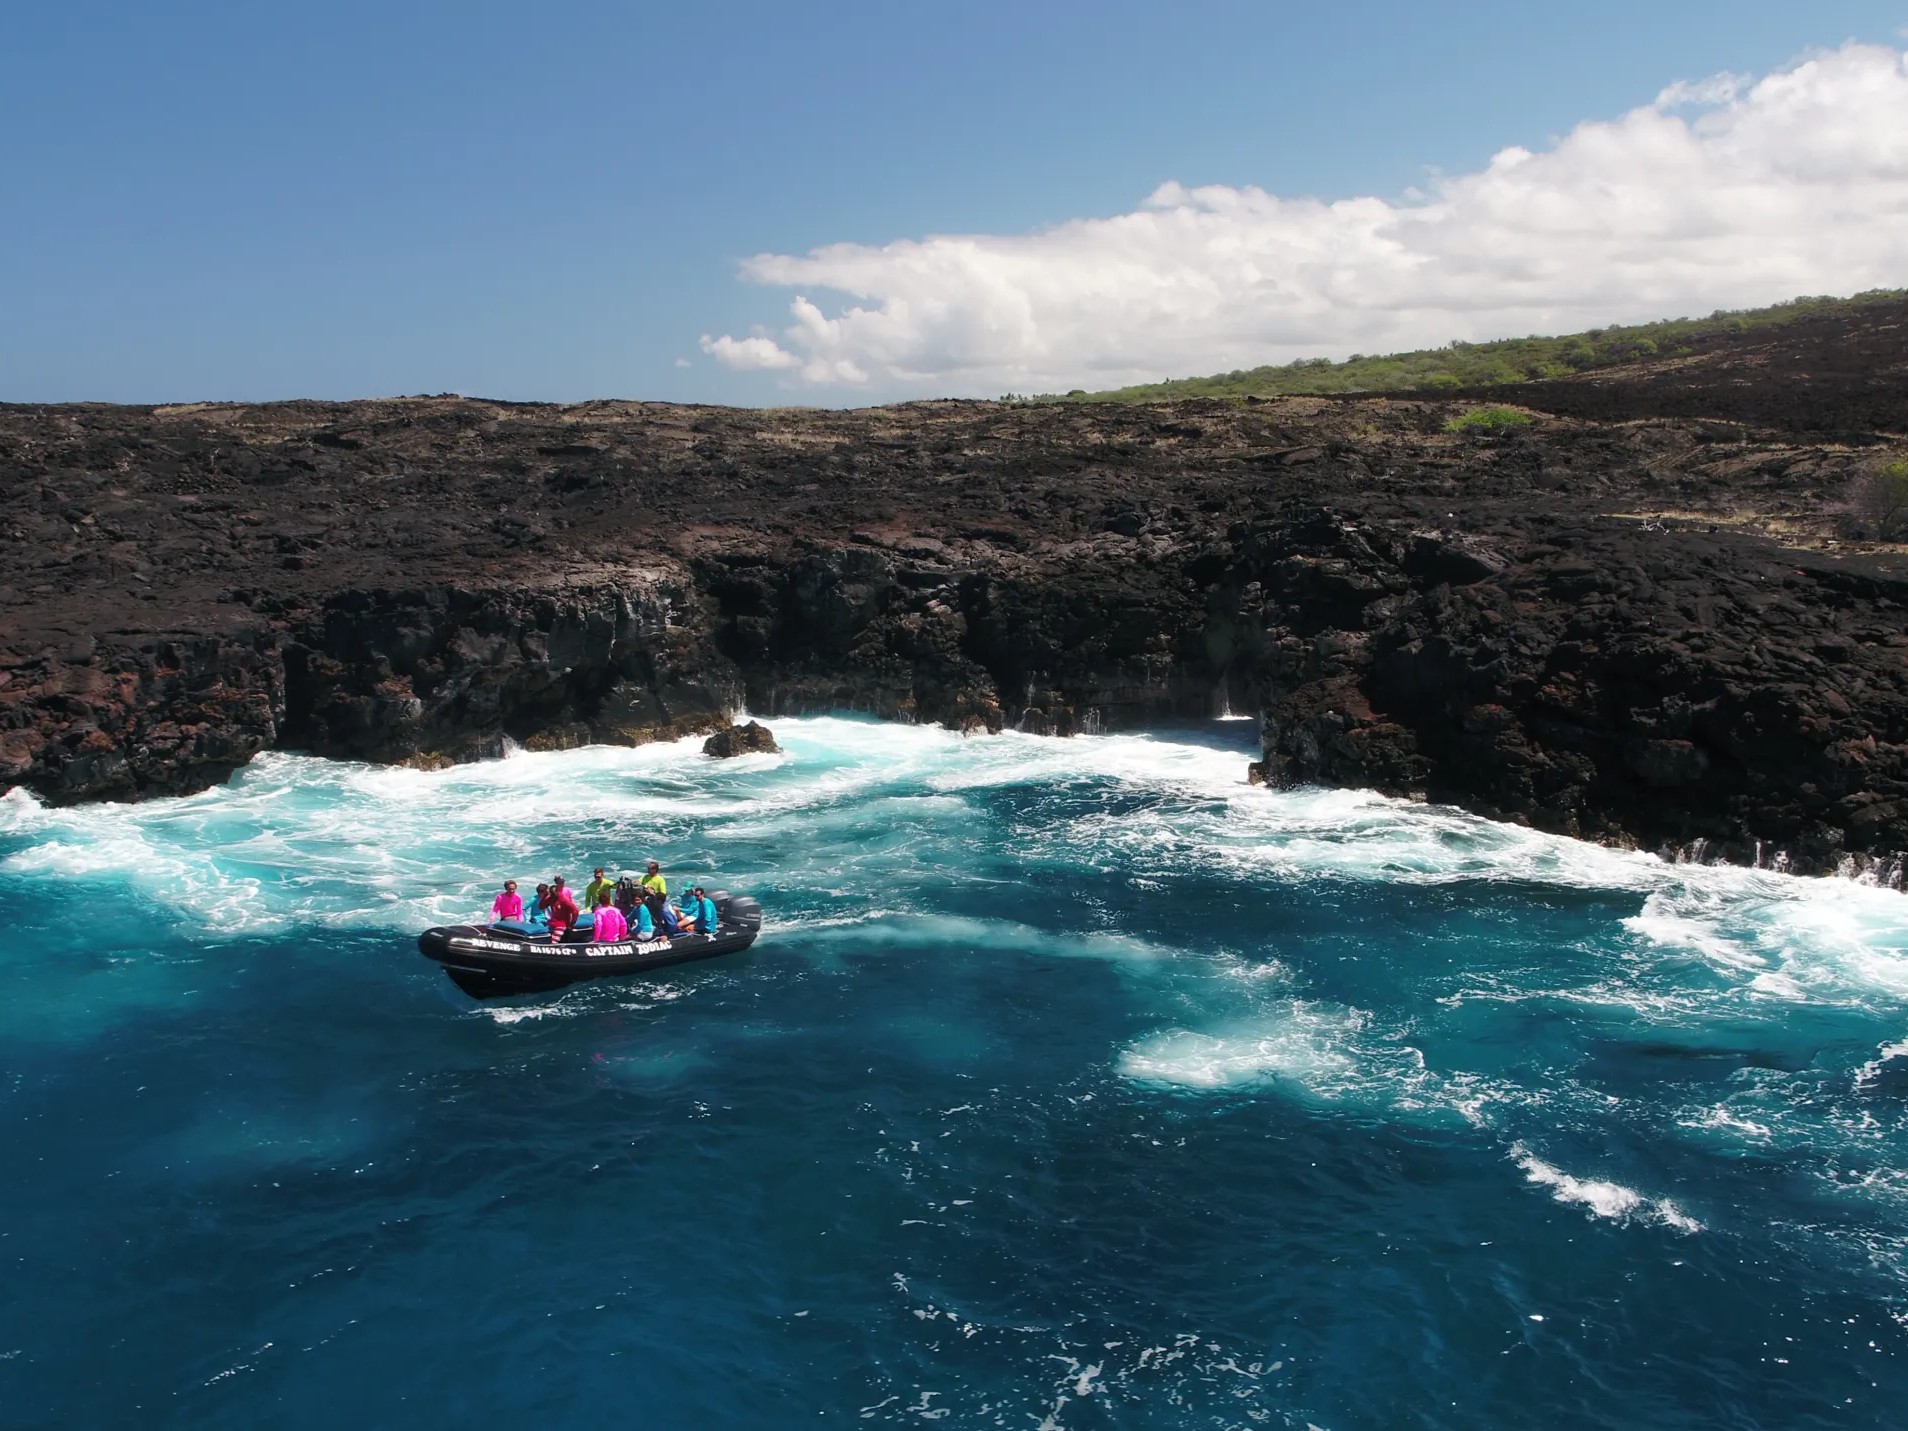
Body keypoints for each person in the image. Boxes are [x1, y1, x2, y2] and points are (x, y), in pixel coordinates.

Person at [547, 876, 579, 941]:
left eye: (563, 882)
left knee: (567, 929)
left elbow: (570, 901)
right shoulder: (554, 891)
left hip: (567, 912)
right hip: (557, 913)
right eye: (560, 882)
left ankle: (567, 941)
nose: (562, 883)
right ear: (556, 883)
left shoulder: (567, 890)